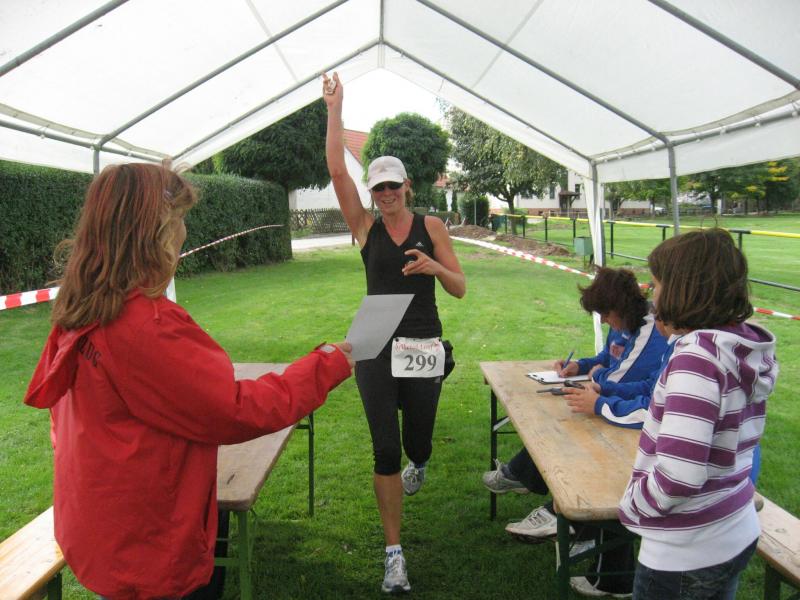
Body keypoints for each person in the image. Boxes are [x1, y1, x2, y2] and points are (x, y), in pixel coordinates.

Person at [23, 163, 354, 600]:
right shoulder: (143, 327)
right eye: (179, 219)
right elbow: (235, 409)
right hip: (147, 543)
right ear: (153, 232)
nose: (184, 233)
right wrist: (327, 363)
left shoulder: (83, 306)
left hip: (105, 525)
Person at [323, 71, 466, 594]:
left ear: (407, 186)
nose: (384, 193)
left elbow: (460, 288)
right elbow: (336, 169)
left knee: (416, 441)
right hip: (374, 344)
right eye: (377, 186)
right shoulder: (365, 228)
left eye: (392, 185)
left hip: (422, 344)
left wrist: (434, 266)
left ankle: (420, 461)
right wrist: (335, 110)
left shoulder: (432, 227)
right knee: (385, 449)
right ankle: (393, 554)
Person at [619, 228, 777, 600]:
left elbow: (680, 475)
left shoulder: (697, 359)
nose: (652, 294)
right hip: (733, 527)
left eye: (656, 284)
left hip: (686, 550)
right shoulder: (735, 348)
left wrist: (632, 504)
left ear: (681, 289)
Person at [483, 268, 668, 543]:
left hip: (632, 423)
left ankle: (565, 516)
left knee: (578, 436)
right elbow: (607, 359)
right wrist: (580, 366)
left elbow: (623, 381)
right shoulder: (624, 325)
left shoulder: (651, 333)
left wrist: (599, 386)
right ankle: (541, 494)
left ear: (621, 307)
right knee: (564, 421)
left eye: (605, 314)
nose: (603, 320)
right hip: (622, 408)